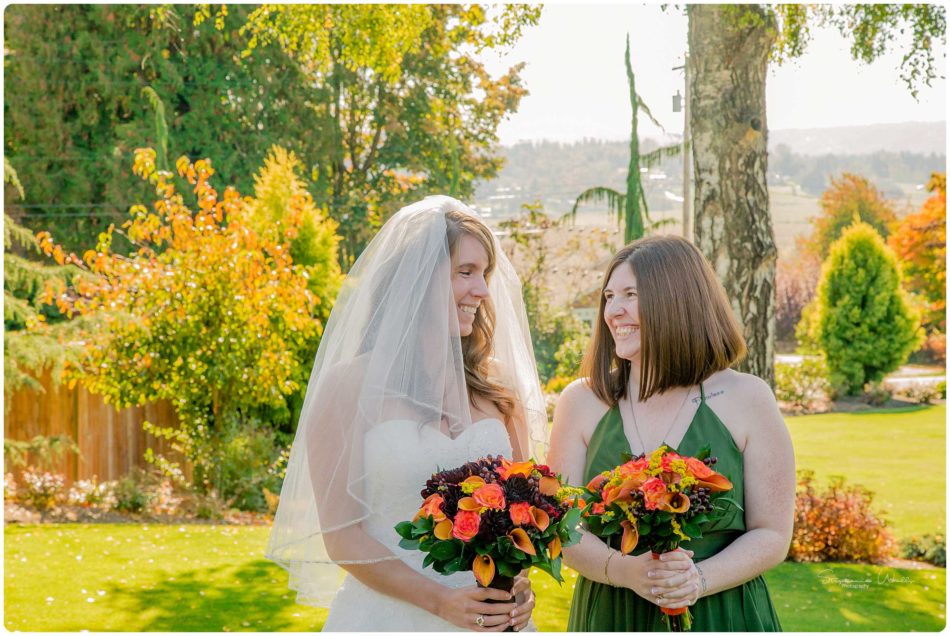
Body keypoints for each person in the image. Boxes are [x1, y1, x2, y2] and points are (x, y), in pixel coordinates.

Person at [266, 196, 548, 632]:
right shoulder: (348, 387)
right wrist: (441, 602)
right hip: (387, 617)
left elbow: (521, 518)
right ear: (418, 279)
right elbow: (342, 536)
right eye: (466, 272)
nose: (483, 291)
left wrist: (521, 587)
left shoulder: (499, 390)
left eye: (485, 274)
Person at [548, 235, 794, 631]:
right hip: (614, 613)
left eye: (630, 294)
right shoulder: (580, 402)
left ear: (676, 299)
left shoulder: (747, 398)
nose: (614, 311)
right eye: (609, 297)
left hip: (722, 613)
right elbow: (563, 527)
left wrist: (695, 581)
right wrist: (624, 571)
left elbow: (772, 534)